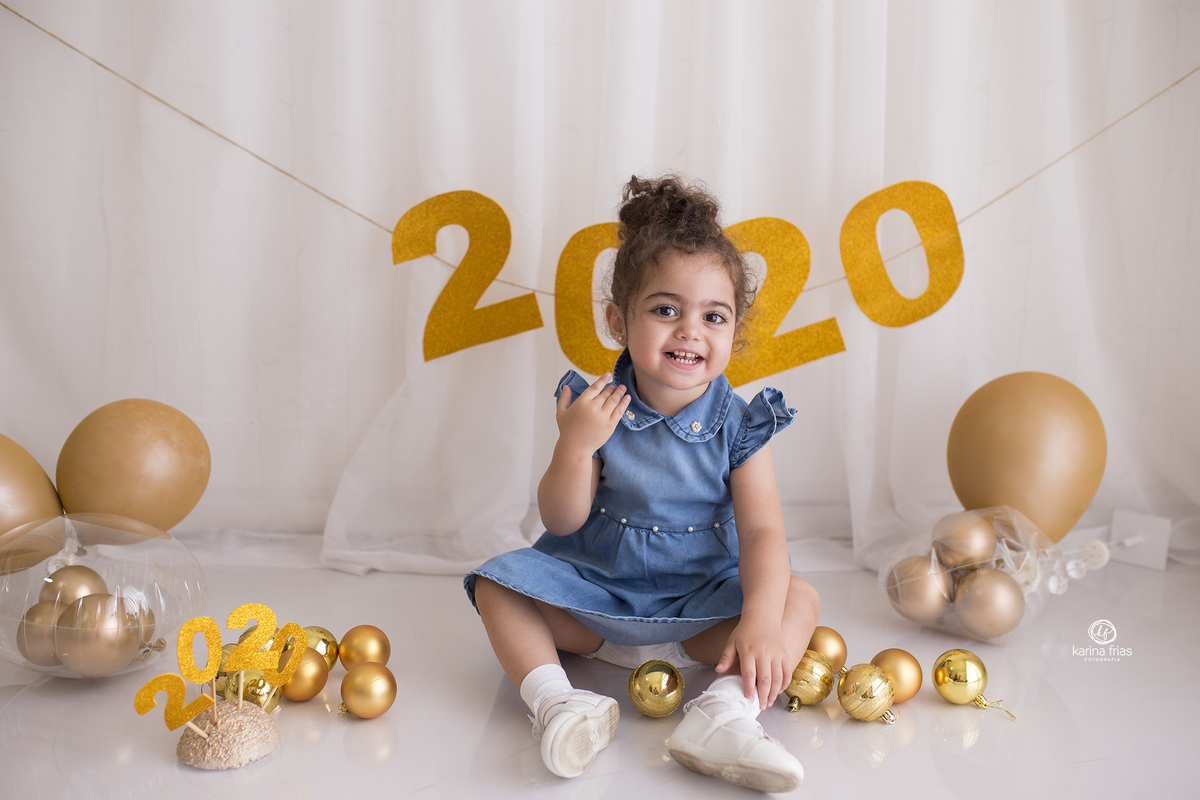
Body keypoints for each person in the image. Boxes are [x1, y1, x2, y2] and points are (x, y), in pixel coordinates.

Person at [465, 174, 820, 793]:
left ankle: (723, 713)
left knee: (800, 599)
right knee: (497, 583)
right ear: (618, 321)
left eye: (713, 316)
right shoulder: (595, 406)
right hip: (596, 604)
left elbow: (764, 532)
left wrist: (760, 621)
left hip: (698, 613)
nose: (689, 330)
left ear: (734, 332)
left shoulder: (741, 424)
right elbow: (561, 520)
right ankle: (559, 703)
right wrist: (576, 445)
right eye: (665, 310)